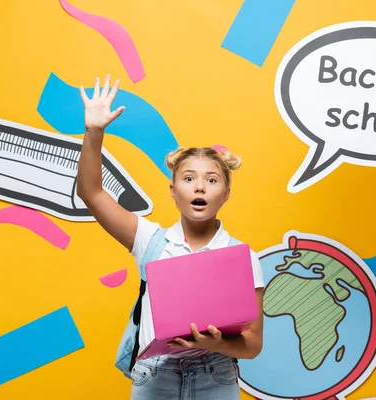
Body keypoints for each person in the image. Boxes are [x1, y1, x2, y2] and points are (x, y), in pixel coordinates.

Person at [76, 74, 264, 400]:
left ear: (226, 193)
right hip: (155, 375)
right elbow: (91, 193)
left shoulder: (243, 258)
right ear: (173, 191)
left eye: (212, 180)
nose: (200, 187)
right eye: (189, 178)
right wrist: (94, 132)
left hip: (215, 377)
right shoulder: (149, 240)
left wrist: (213, 343)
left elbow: (252, 345)